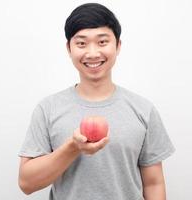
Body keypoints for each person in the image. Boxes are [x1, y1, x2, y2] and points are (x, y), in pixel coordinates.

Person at [18, 3, 175, 200]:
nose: (92, 53)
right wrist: (72, 147)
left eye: (102, 42)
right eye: (81, 43)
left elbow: (154, 183)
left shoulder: (143, 109)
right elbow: (26, 184)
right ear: (69, 48)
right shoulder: (48, 108)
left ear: (118, 46)